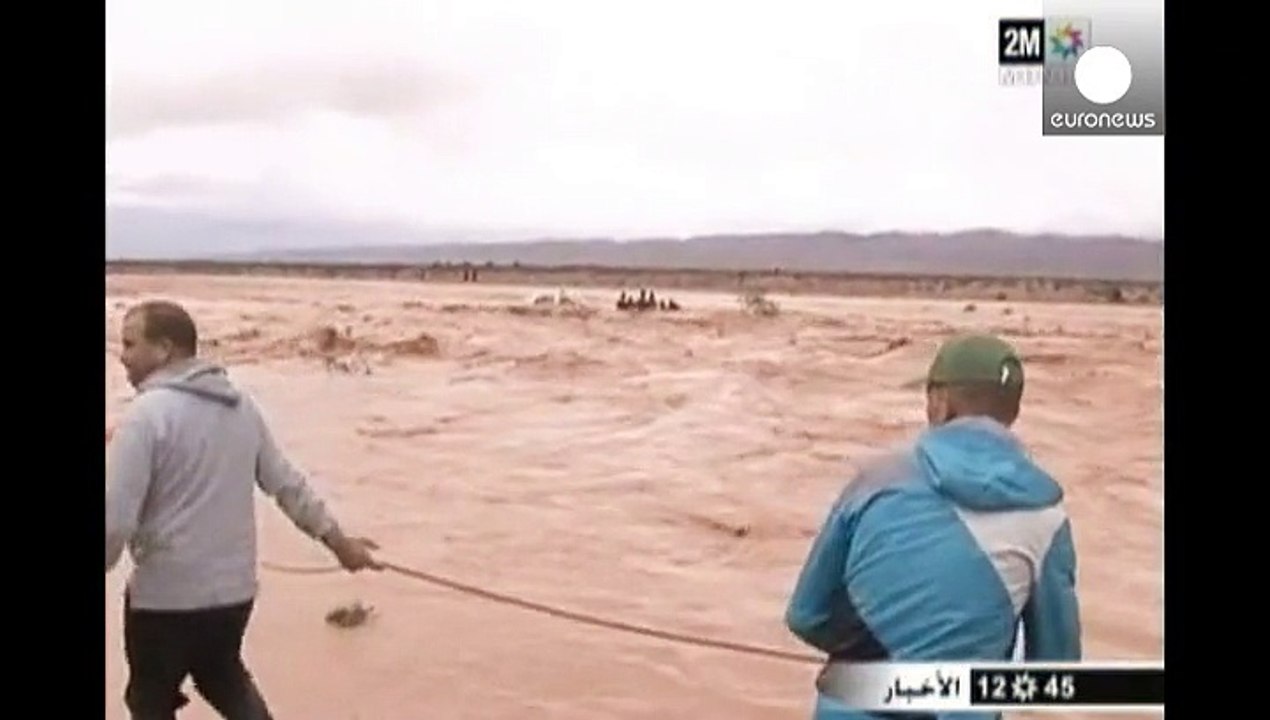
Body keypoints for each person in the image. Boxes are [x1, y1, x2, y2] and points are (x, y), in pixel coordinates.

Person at [106, 300, 384, 720]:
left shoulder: (145, 417)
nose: (120, 355)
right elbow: (289, 486)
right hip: (233, 595)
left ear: (164, 349)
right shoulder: (241, 407)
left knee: (149, 701)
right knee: (223, 677)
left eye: (129, 344)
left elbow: (115, 521)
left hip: (165, 600)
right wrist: (339, 543)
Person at [784, 333, 1081, 720]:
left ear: (940, 404)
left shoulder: (873, 481)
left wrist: (878, 649)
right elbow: (1055, 671)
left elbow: (807, 616)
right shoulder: (1048, 517)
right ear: (1013, 412)